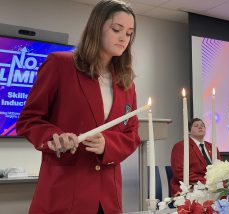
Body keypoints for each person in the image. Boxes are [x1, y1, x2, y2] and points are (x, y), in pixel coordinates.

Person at [16, 1, 139, 213]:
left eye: (129, 33)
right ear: (96, 27)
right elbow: (28, 120)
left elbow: (132, 134)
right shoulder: (60, 64)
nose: (123, 39)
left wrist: (107, 145)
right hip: (64, 195)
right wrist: (55, 136)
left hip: (107, 200)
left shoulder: (126, 83)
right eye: (116, 29)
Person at [170, 118, 221, 196]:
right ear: (189, 131)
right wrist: (205, 182)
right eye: (196, 126)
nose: (200, 127)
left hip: (211, 186)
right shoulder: (181, 146)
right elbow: (179, 172)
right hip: (190, 187)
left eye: (202, 126)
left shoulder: (212, 147)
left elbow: (219, 168)